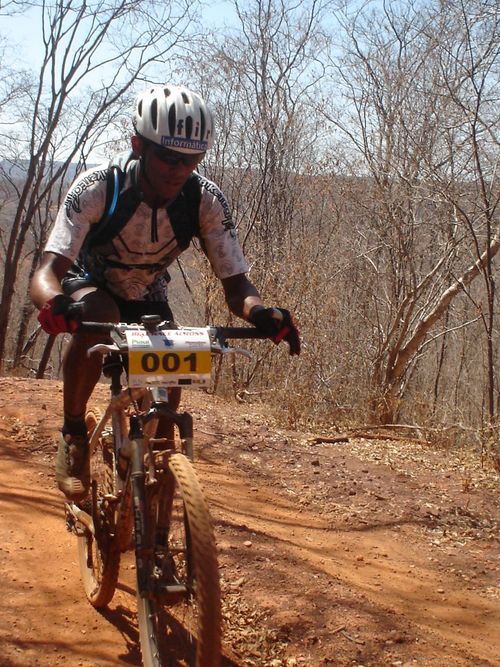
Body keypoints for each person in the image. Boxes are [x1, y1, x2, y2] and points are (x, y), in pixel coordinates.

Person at [30, 84, 300, 503]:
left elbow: (236, 284)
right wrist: (55, 303)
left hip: (148, 290)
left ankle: (156, 525)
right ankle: (73, 435)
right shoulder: (99, 187)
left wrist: (261, 313)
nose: (179, 169)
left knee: (167, 406)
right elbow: (47, 272)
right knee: (98, 314)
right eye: (168, 157)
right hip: (90, 281)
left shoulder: (205, 200)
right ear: (138, 145)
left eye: (192, 159)